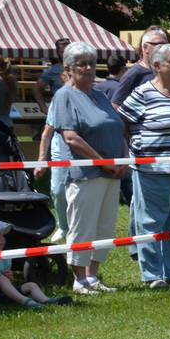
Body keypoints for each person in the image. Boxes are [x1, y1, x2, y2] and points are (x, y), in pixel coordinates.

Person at [118, 43, 170, 288]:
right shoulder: (143, 93)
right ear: (156, 66)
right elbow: (122, 119)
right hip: (152, 170)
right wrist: (135, 143)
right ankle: (152, 275)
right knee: (151, 221)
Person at [48, 41, 126, 294]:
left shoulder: (101, 95)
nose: (88, 68)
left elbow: (118, 128)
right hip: (85, 174)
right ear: (69, 68)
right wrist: (104, 162)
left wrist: (123, 160)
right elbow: (70, 137)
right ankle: (79, 279)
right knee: (83, 225)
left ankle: (93, 277)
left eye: (92, 63)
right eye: (82, 64)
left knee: (104, 225)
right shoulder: (64, 96)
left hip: (112, 173)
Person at [0, 219, 68, 308]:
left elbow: (8, 282)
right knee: (0, 279)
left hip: (3, 294)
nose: (2, 238)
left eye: (3, 235)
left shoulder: (4, 257)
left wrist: (10, 277)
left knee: (31, 285)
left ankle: (46, 300)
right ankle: (26, 302)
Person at [33, 40, 69, 111]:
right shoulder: (53, 70)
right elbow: (36, 89)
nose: (65, 54)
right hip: (60, 110)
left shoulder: (79, 68)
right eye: (62, 52)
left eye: (67, 51)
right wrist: (43, 108)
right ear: (57, 53)